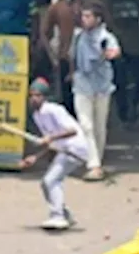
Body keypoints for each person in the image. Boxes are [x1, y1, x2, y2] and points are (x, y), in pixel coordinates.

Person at [19, 78, 88, 231]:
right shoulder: (37, 116)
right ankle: (64, 214)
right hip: (64, 150)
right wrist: (35, 157)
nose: (33, 99)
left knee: (51, 180)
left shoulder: (53, 109)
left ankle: (58, 216)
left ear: (44, 97)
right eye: (31, 95)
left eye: (37, 95)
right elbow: (51, 144)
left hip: (75, 149)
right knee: (46, 183)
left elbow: (72, 130)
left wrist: (51, 137)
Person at [71, 1, 120, 181]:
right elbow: (72, 56)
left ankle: (96, 162)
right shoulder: (78, 35)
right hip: (82, 84)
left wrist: (110, 54)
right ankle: (94, 164)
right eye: (83, 16)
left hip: (102, 86)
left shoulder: (105, 37)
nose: (84, 19)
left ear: (98, 19)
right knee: (86, 125)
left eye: (88, 16)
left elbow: (114, 50)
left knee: (99, 125)